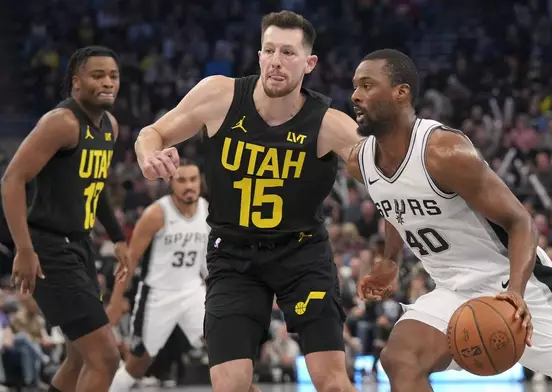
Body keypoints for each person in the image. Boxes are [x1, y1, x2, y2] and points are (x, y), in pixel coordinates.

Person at [346, 48, 552, 392]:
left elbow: (522, 222)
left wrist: (515, 292)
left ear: (400, 92)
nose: (355, 96)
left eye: (366, 86)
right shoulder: (363, 161)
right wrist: (390, 259)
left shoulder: (444, 152)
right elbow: (394, 200)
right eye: (354, 87)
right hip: (452, 288)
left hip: (515, 287)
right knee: (400, 360)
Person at [134, 10, 363, 392]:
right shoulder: (219, 96)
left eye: (288, 53)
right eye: (269, 50)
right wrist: (147, 156)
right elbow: (153, 132)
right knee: (230, 384)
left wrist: (390, 256)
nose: (276, 61)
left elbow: (390, 176)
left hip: (302, 255)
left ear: (309, 63)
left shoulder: (328, 123)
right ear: (258, 56)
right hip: (233, 255)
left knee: (332, 382)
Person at [1, 46, 128, 392]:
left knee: (78, 359)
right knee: (105, 357)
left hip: (80, 246)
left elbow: (95, 185)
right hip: (50, 249)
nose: (107, 82)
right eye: (97, 75)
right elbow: (12, 179)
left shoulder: (109, 127)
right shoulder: (62, 123)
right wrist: (24, 249)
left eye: (113, 75)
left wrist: (118, 237)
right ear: (76, 82)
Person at [108, 160, 209, 391]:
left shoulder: (206, 210)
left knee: (224, 347)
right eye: (182, 180)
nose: (189, 185)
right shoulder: (157, 213)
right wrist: (115, 301)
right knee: (138, 363)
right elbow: (130, 260)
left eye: (193, 179)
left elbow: (207, 262)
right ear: (171, 182)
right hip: (157, 295)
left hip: (193, 291)